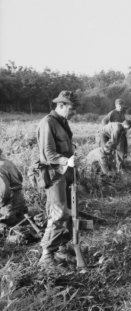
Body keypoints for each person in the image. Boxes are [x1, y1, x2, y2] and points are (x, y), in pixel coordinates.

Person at [37, 91, 77, 269]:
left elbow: (66, 147)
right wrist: (65, 160)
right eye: (71, 108)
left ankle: (61, 249)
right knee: (58, 213)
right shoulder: (48, 123)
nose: (73, 112)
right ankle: (46, 255)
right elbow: (48, 154)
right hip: (54, 175)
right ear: (61, 105)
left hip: (66, 173)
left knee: (68, 211)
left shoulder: (63, 122)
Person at [0, 150, 28, 227]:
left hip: (10, 202)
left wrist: (1, 204)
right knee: (22, 222)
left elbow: (4, 191)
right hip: (20, 197)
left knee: (5, 226)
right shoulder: (8, 162)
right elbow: (20, 177)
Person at [102, 99, 129, 170]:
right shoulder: (113, 112)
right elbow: (104, 120)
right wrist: (107, 130)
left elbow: (125, 123)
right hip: (114, 133)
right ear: (116, 106)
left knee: (123, 150)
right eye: (119, 105)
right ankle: (117, 168)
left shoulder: (123, 113)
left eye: (122, 105)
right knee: (115, 150)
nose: (121, 107)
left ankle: (121, 166)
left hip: (121, 133)